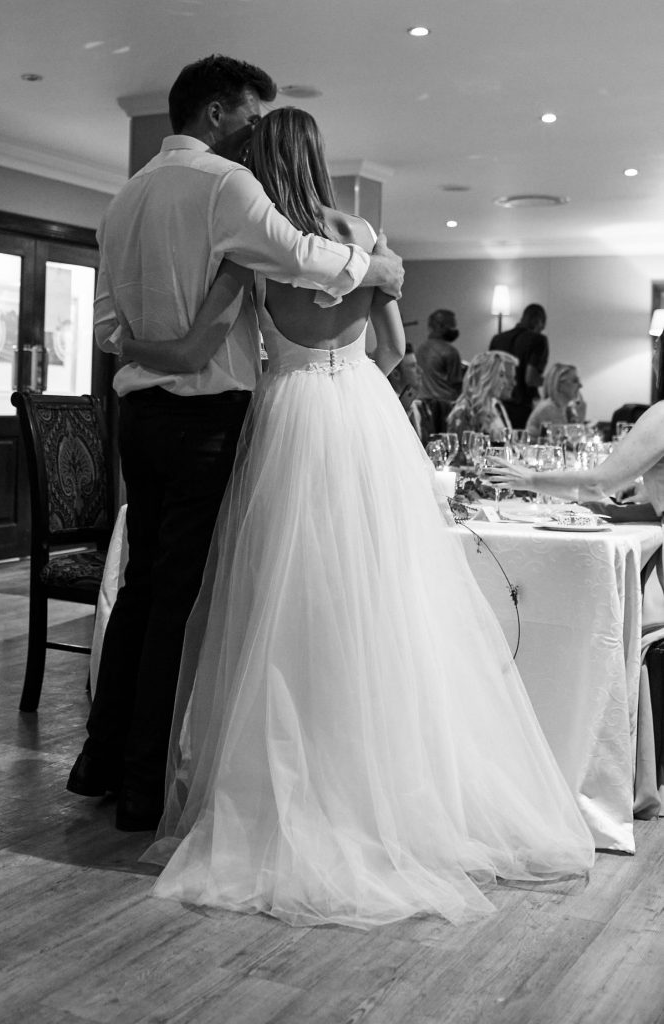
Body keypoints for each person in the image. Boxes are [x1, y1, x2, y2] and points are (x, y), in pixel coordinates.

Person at [122, 107, 593, 929]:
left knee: (280, 599)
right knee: (379, 598)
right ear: (319, 159)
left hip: (288, 413)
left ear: (261, 163)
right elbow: (392, 352)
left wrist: (143, 350)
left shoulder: (254, 250)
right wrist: (346, 359)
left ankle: (289, 778)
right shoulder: (366, 238)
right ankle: (381, 774)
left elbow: (208, 343)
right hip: (362, 416)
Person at [66, 55, 404, 832]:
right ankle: (143, 786)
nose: (252, 136)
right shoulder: (227, 186)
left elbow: (110, 325)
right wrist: (375, 266)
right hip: (206, 420)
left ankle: (100, 760)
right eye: (247, 118)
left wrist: (141, 354)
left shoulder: (122, 200)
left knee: (142, 589)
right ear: (216, 113)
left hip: (139, 418)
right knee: (177, 601)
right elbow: (301, 257)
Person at [489, 336, 664, 511]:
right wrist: (648, 493)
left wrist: (529, 479)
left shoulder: (660, 415)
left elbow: (595, 485)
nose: (652, 358)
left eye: (656, 347)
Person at [490, 303, 549, 428]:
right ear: (539, 322)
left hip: (498, 404)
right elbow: (530, 379)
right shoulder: (538, 340)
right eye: (542, 326)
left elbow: (491, 373)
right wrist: (550, 380)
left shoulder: (497, 339)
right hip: (523, 405)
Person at [446, 351, 517, 448]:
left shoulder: (495, 408)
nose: (504, 381)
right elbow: (462, 453)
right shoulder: (463, 411)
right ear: (487, 376)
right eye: (501, 375)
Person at [388, 343, 435, 445]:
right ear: (396, 374)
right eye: (413, 366)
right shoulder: (388, 410)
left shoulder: (419, 406)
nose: (420, 371)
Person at [525, 363, 586, 440]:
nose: (580, 385)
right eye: (575, 381)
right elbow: (567, 442)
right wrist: (580, 420)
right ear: (559, 385)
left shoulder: (564, 408)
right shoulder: (548, 409)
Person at [416, 309, 464, 405]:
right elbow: (457, 384)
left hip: (422, 403)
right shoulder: (450, 351)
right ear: (439, 326)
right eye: (452, 326)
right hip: (445, 404)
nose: (454, 330)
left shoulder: (420, 348)